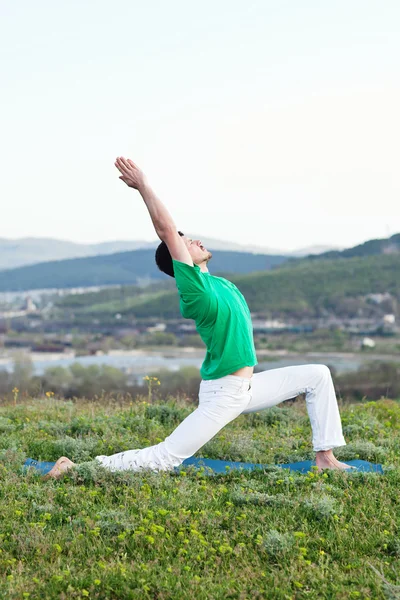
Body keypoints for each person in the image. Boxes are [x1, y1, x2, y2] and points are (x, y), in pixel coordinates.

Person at [45, 156, 351, 480]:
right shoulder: (195, 290)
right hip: (224, 393)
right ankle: (76, 468)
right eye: (186, 243)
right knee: (165, 458)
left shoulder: (221, 283)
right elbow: (166, 230)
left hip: (246, 386)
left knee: (318, 374)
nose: (194, 241)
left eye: (190, 238)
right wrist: (144, 187)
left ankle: (325, 456)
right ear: (179, 261)